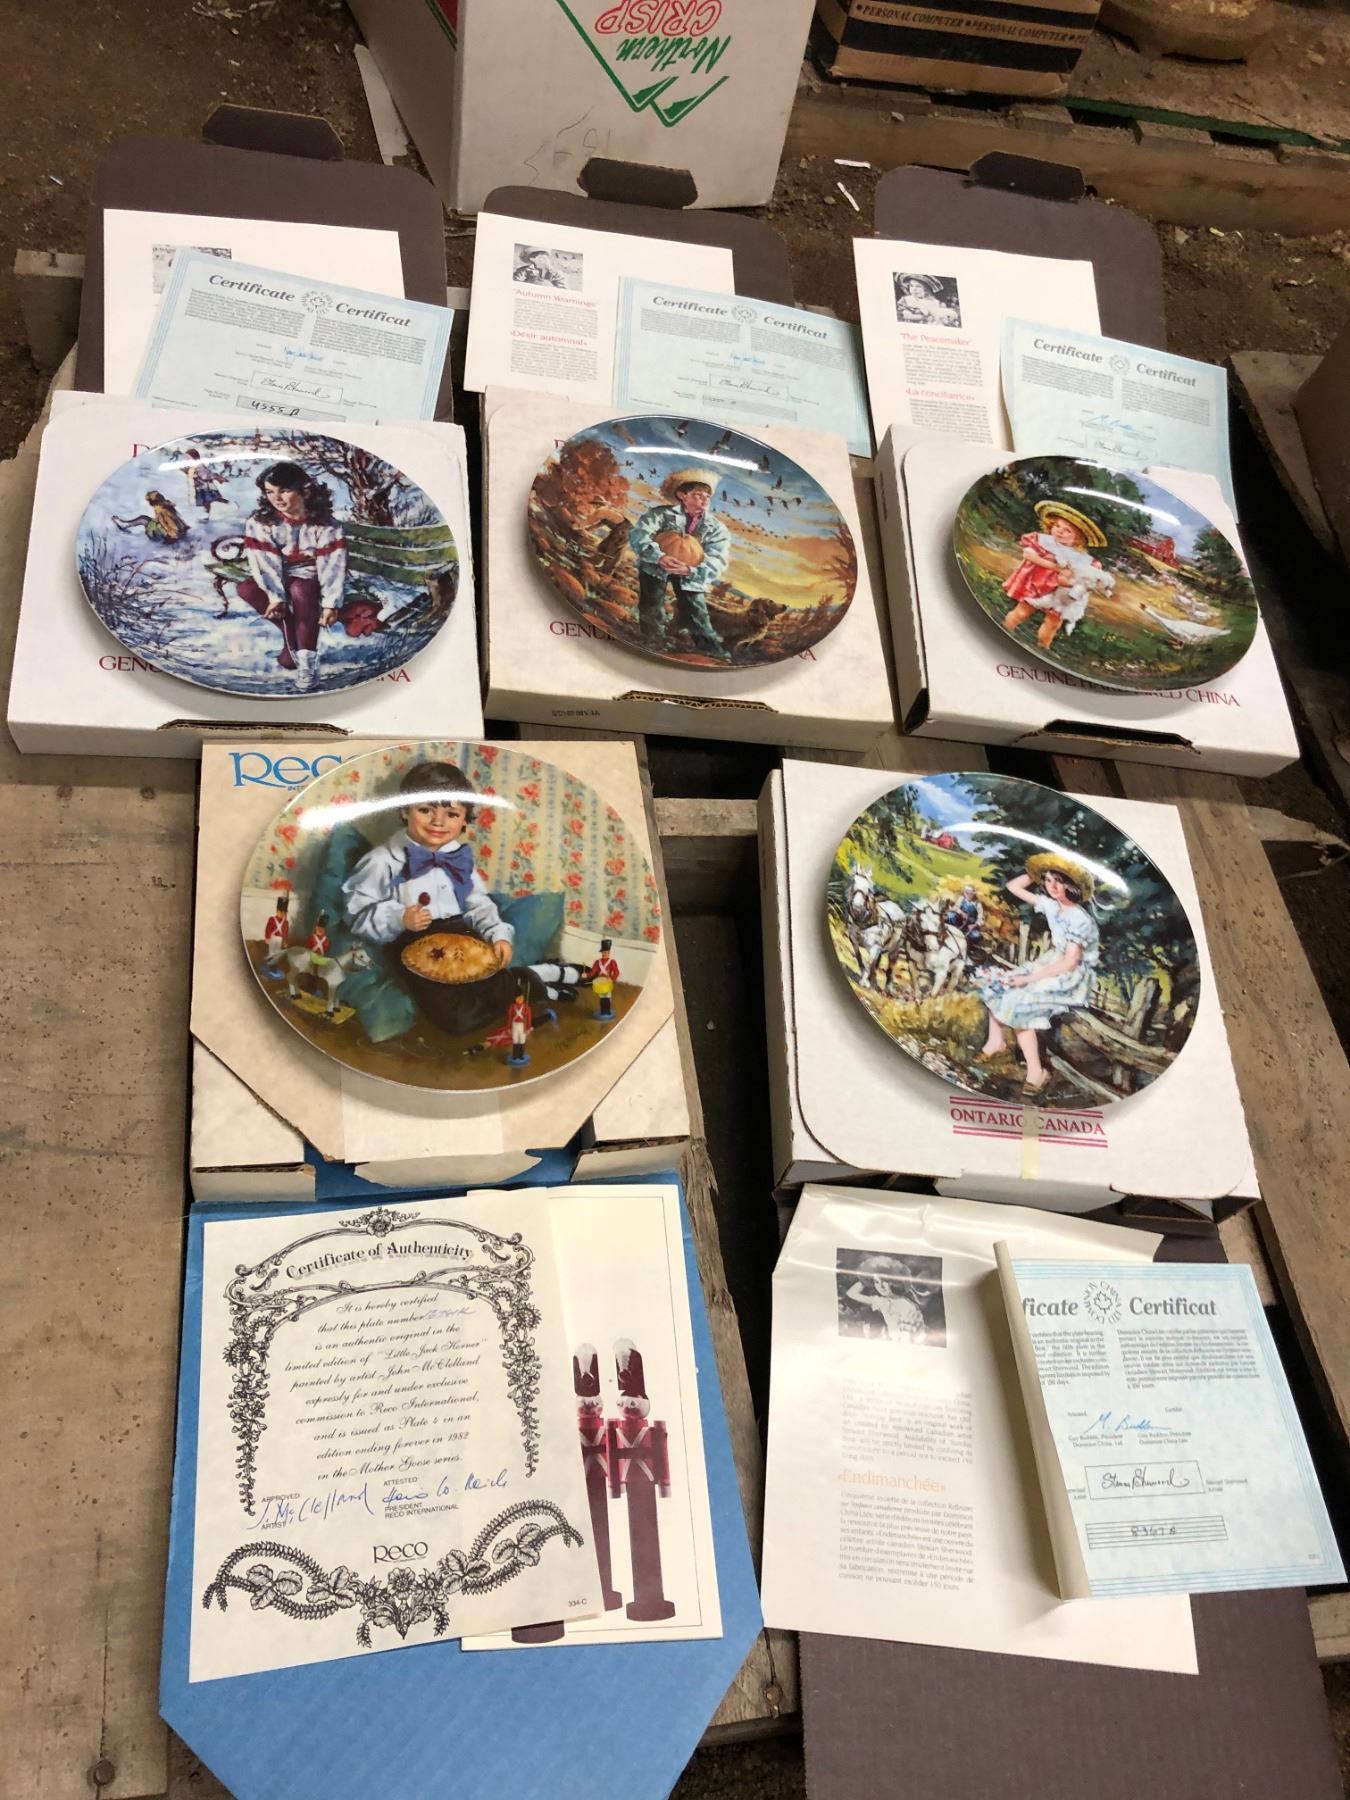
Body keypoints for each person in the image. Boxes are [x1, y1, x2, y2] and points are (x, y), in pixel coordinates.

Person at [341, 760, 514, 963]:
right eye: (425, 810)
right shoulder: (383, 860)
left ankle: (535, 976)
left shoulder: (458, 858)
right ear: (404, 810)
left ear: (464, 820)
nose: (438, 822)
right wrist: (399, 918)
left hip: (458, 942)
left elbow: (478, 904)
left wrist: (497, 934)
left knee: (493, 975)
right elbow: (356, 913)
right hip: (409, 944)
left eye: (452, 814)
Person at [973, 853, 1101, 1099]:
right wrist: (1036, 872)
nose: (1052, 886)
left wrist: (1028, 979)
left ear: (1071, 885)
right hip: (1052, 962)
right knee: (999, 983)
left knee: (1020, 1003)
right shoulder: (1051, 905)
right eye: (1048, 880)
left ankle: (1036, 1072)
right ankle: (996, 1042)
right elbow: (1013, 887)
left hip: (1070, 975)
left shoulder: (1080, 919)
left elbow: (1070, 962)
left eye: (1059, 881)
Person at [237, 460, 348, 693]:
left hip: (311, 575)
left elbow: (332, 565)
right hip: (278, 573)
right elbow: (265, 562)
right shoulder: (261, 522)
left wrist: (330, 603)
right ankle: (293, 641)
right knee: (246, 588)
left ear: (305, 492)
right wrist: (276, 597)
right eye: (270, 492)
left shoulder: (325, 525)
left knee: (301, 591)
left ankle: (306, 663)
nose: (276, 498)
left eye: (284, 490)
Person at [628, 469, 732, 661]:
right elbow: (639, 535)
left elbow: (718, 559)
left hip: (691, 571)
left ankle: (710, 650)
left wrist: (690, 570)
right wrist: (659, 557)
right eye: (698, 495)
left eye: (707, 497)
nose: (705, 500)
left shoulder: (716, 528)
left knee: (696, 609)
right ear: (682, 495)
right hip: (656, 564)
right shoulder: (660, 514)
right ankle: (653, 642)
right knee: (651, 603)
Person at [1002, 501, 1114, 653]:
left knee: (1053, 624)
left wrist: (1081, 585)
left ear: (1078, 538)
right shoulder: (1043, 541)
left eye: (1067, 531)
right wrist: (1057, 568)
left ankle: (1043, 647)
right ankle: (1006, 629)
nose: (1060, 531)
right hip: (1039, 586)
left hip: (1062, 596)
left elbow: (1089, 579)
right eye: (1057, 526)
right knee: (1022, 612)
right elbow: (1028, 555)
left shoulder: (1084, 559)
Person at [844, 1257, 927, 1343]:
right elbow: (851, 1293)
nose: (881, 1286)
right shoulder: (882, 1302)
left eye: (884, 1281)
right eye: (876, 1282)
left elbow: (907, 1340)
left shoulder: (907, 1307)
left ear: (894, 1281)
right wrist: (865, 1280)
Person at [112, 490, 188, 544]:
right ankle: (126, 524)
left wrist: (171, 537)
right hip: (178, 533)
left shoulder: (161, 510)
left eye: (149, 501)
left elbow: (168, 524)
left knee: (143, 519)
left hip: (167, 536)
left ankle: (125, 525)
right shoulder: (167, 506)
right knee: (147, 519)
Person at [183, 447, 226, 520]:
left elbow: (205, 475)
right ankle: (206, 515)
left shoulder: (199, 465)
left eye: (188, 457)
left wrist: (197, 476)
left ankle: (229, 504)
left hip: (204, 486)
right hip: (199, 487)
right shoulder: (192, 466)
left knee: (210, 499)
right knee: (207, 501)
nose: (186, 459)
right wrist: (186, 471)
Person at [945, 884, 984, 956]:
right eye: (967, 893)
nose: (968, 895)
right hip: (960, 922)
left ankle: (968, 948)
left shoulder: (977, 904)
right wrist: (961, 913)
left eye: (971, 894)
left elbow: (980, 918)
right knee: (951, 915)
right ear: (964, 893)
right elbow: (955, 908)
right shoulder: (961, 899)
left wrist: (974, 925)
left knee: (976, 935)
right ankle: (952, 932)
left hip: (970, 925)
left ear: (973, 894)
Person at [586, 939, 619, 1022]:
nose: (604, 954)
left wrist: (612, 979)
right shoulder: (597, 962)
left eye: (606, 952)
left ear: (609, 952)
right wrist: (586, 975)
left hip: (608, 982)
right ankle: (603, 1011)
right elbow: (593, 972)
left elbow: (616, 972)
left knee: (607, 997)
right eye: (603, 952)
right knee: (602, 998)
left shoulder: (612, 962)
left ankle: (607, 1012)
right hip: (600, 983)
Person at [506, 980, 533, 1067]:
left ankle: (521, 1055)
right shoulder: (512, 1007)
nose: (520, 1000)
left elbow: (528, 1018)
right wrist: (509, 1028)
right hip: (514, 1025)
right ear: (515, 999)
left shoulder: (526, 1008)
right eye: (518, 998)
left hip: (522, 1025)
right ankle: (515, 1055)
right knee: (515, 1040)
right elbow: (510, 1018)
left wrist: (528, 1028)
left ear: (523, 998)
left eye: (521, 998)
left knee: (521, 1040)